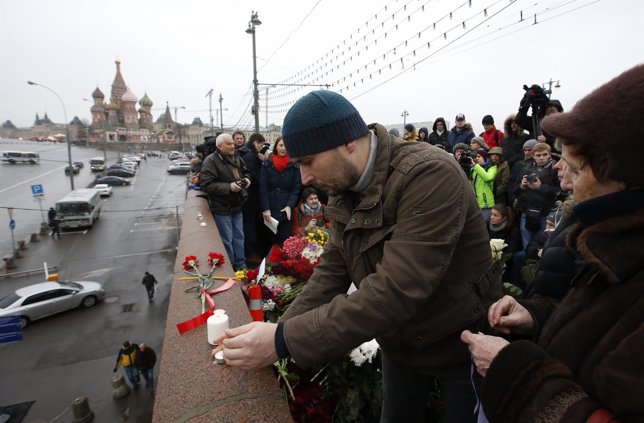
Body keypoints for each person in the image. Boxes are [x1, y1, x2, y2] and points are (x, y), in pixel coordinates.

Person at [215, 90, 502, 423]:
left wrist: (282, 341)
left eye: (308, 162)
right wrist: (277, 332)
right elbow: (331, 274)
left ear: (347, 142)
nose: (304, 177)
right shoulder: (343, 187)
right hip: (401, 342)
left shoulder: (428, 174)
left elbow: (395, 290)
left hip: (460, 345)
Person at [461, 64, 644, 423]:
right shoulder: (612, 244)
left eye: (576, 170)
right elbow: (591, 322)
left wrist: (512, 373)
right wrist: (537, 316)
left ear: (624, 182)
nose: (567, 182)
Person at [199, 133, 251, 271]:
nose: (233, 146)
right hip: (222, 207)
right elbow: (206, 184)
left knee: (239, 236)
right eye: (229, 144)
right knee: (227, 239)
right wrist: (229, 187)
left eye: (233, 143)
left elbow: (246, 171)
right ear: (219, 146)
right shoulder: (210, 161)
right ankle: (229, 267)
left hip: (237, 204)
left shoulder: (236, 157)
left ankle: (241, 264)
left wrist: (247, 179)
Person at [513, 143, 560, 249]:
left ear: (550, 155)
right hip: (528, 213)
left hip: (547, 214)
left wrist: (540, 187)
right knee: (527, 247)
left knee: (546, 246)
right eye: (538, 155)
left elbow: (560, 192)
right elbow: (515, 190)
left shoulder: (556, 169)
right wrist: (522, 186)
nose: (542, 158)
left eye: (544, 154)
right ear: (533, 156)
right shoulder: (525, 169)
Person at [260, 136, 301, 247]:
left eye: (286, 146)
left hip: (286, 207)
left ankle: (284, 264)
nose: (284, 148)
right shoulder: (267, 164)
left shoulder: (294, 165)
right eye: (281, 145)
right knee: (272, 241)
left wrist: (289, 205)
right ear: (276, 147)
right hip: (271, 206)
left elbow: (296, 188)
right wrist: (266, 208)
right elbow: (263, 187)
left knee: (286, 240)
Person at [240, 133, 271, 260]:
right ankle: (250, 253)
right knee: (249, 226)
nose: (262, 147)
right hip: (250, 198)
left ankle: (252, 251)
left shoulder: (250, 155)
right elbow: (255, 178)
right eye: (261, 145)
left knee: (251, 225)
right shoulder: (250, 157)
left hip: (250, 198)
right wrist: (263, 163)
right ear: (255, 143)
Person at [469, 149, 496, 222]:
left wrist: (475, 166)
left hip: (486, 204)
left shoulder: (492, 168)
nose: (476, 158)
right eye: (476, 156)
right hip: (475, 204)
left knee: (483, 227)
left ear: (485, 158)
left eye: (479, 156)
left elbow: (488, 178)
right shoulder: (474, 168)